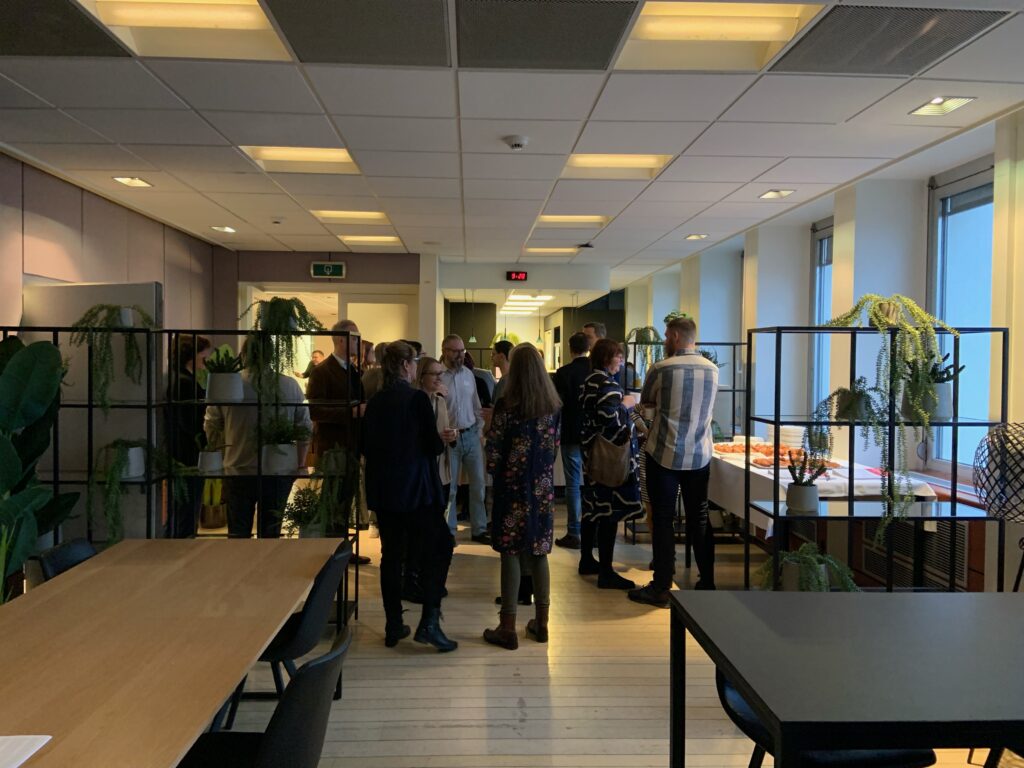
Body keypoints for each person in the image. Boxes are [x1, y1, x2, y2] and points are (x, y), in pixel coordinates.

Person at [362, 342, 457, 652]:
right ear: (405, 365)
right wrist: (440, 440)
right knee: (440, 546)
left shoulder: (375, 402)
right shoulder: (417, 399)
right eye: (415, 361)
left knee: (391, 556)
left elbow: (365, 445)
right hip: (416, 489)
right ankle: (429, 621)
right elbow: (433, 446)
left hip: (384, 489)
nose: (416, 366)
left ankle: (393, 625)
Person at [630, 316, 719, 607]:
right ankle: (707, 582)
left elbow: (646, 404)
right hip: (699, 454)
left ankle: (662, 587)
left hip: (664, 453)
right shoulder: (713, 370)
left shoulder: (661, 369)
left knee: (663, 519)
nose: (665, 340)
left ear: (677, 337)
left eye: (667, 336)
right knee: (699, 517)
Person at [483, 343, 560, 650]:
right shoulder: (552, 407)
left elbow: (494, 450)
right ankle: (542, 624)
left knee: (510, 552)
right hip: (542, 489)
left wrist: (495, 472)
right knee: (539, 552)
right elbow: (553, 450)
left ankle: (507, 626)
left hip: (511, 487)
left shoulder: (507, 406)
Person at [205, 335, 311, 538]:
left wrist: (220, 454)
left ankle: (240, 561)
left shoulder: (230, 384)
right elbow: (304, 427)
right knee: (271, 532)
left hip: (237, 466)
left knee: (238, 532)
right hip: (279, 469)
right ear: (272, 355)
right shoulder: (289, 385)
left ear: (244, 354)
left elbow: (211, 425)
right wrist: (300, 464)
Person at [579, 339, 642, 590]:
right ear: (607, 358)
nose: (621, 361)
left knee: (591, 507)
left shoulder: (589, 380)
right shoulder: (608, 384)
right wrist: (627, 405)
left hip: (591, 453)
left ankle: (586, 559)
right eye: (618, 356)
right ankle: (606, 572)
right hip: (609, 458)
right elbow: (610, 420)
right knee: (609, 512)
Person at [306, 319, 370, 563]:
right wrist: (350, 412)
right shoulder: (322, 371)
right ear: (342, 339)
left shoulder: (352, 370)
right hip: (334, 447)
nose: (359, 343)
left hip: (352, 445)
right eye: (355, 338)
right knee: (333, 500)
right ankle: (332, 553)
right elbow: (315, 410)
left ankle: (342, 551)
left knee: (346, 500)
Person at [404, 356, 453, 602]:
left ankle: (426, 580)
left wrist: (451, 437)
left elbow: (445, 433)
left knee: (434, 530)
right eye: (434, 374)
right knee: (424, 531)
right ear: (421, 375)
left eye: (441, 374)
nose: (439, 378)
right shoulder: (413, 402)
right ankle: (415, 580)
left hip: (439, 471)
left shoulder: (440, 402)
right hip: (420, 473)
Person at [439, 334, 490, 544]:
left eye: (462, 351)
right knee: (450, 488)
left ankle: (479, 529)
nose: (460, 355)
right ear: (445, 351)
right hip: (449, 438)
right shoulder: (438, 376)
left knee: (478, 485)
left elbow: (476, 406)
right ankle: (449, 532)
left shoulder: (469, 375)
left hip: (471, 435)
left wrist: (479, 431)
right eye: (455, 351)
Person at [167, 334, 211, 537]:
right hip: (188, 456)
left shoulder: (181, 378)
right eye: (203, 353)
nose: (206, 357)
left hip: (183, 454)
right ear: (191, 354)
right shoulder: (184, 382)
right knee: (187, 508)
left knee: (184, 509)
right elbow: (190, 423)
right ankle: (183, 549)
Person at [551, 331, 591, 550]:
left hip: (570, 433)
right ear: (588, 348)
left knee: (573, 484)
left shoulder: (563, 373)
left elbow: (556, 404)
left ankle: (574, 532)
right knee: (592, 483)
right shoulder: (595, 370)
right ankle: (593, 531)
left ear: (570, 348)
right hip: (593, 435)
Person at [583, 321, 627, 390]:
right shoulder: (584, 362)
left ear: (601, 339)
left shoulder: (614, 367)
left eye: (588, 337)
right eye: (583, 338)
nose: (584, 341)